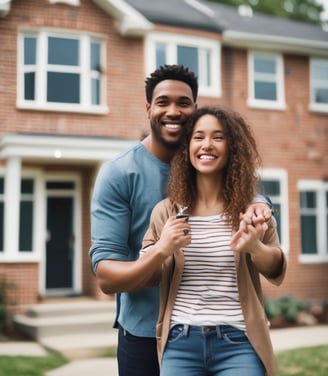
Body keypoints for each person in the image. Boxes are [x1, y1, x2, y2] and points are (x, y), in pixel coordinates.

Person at [89, 66, 274, 376]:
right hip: (145, 336)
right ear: (148, 108)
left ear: (195, 109)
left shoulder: (212, 161)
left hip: (223, 336)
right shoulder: (119, 174)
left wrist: (259, 202)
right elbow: (107, 276)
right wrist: (161, 250)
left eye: (183, 103)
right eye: (163, 102)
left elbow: (249, 194)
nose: (173, 111)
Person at [138, 106, 287, 376]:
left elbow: (276, 267)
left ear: (233, 147)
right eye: (198, 137)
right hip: (180, 343)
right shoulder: (166, 212)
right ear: (186, 147)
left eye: (218, 137)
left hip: (240, 343)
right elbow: (144, 275)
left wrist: (255, 247)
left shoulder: (251, 211)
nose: (207, 145)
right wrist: (163, 249)